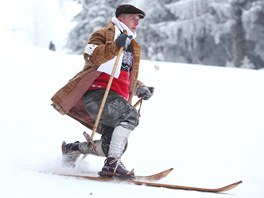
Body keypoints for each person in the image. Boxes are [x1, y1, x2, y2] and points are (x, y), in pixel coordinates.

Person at [51, 4, 154, 179]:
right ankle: (113, 164)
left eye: (139, 19)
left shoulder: (133, 45)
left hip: (116, 99)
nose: (137, 22)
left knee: (111, 144)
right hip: (98, 95)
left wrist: (139, 87)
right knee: (131, 116)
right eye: (133, 18)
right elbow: (92, 56)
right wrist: (115, 46)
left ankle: (73, 149)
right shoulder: (103, 34)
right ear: (120, 18)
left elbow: (127, 76)